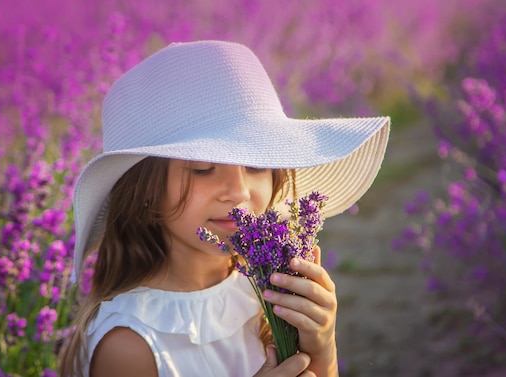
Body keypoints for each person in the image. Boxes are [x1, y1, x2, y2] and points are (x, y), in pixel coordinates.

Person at [58, 40, 390, 377]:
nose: (239, 191)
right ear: (146, 191)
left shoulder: (270, 292)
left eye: (258, 165)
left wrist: (321, 349)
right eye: (203, 168)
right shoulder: (130, 343)